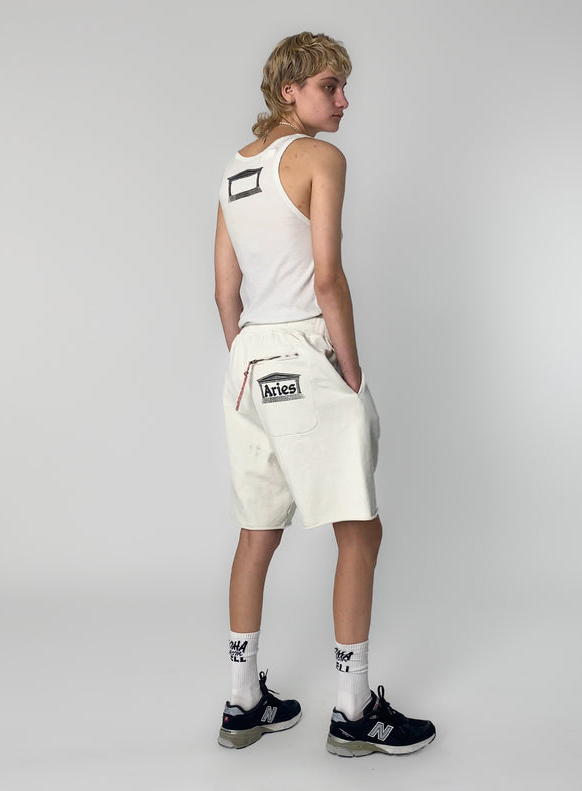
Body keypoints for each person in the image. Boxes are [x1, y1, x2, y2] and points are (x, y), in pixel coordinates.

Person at [214, 31, 435, 757]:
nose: (343, 100)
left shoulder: (235, 170)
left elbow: (224, 291)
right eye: (330, 86)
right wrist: (350, 368)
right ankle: (353, 711)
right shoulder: (318, 157)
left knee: (257, 532)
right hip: (307, 352)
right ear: (291, 91)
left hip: (248, 362)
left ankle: (243, 703)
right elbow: (328, 276)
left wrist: (252, 358)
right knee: (359, 531)